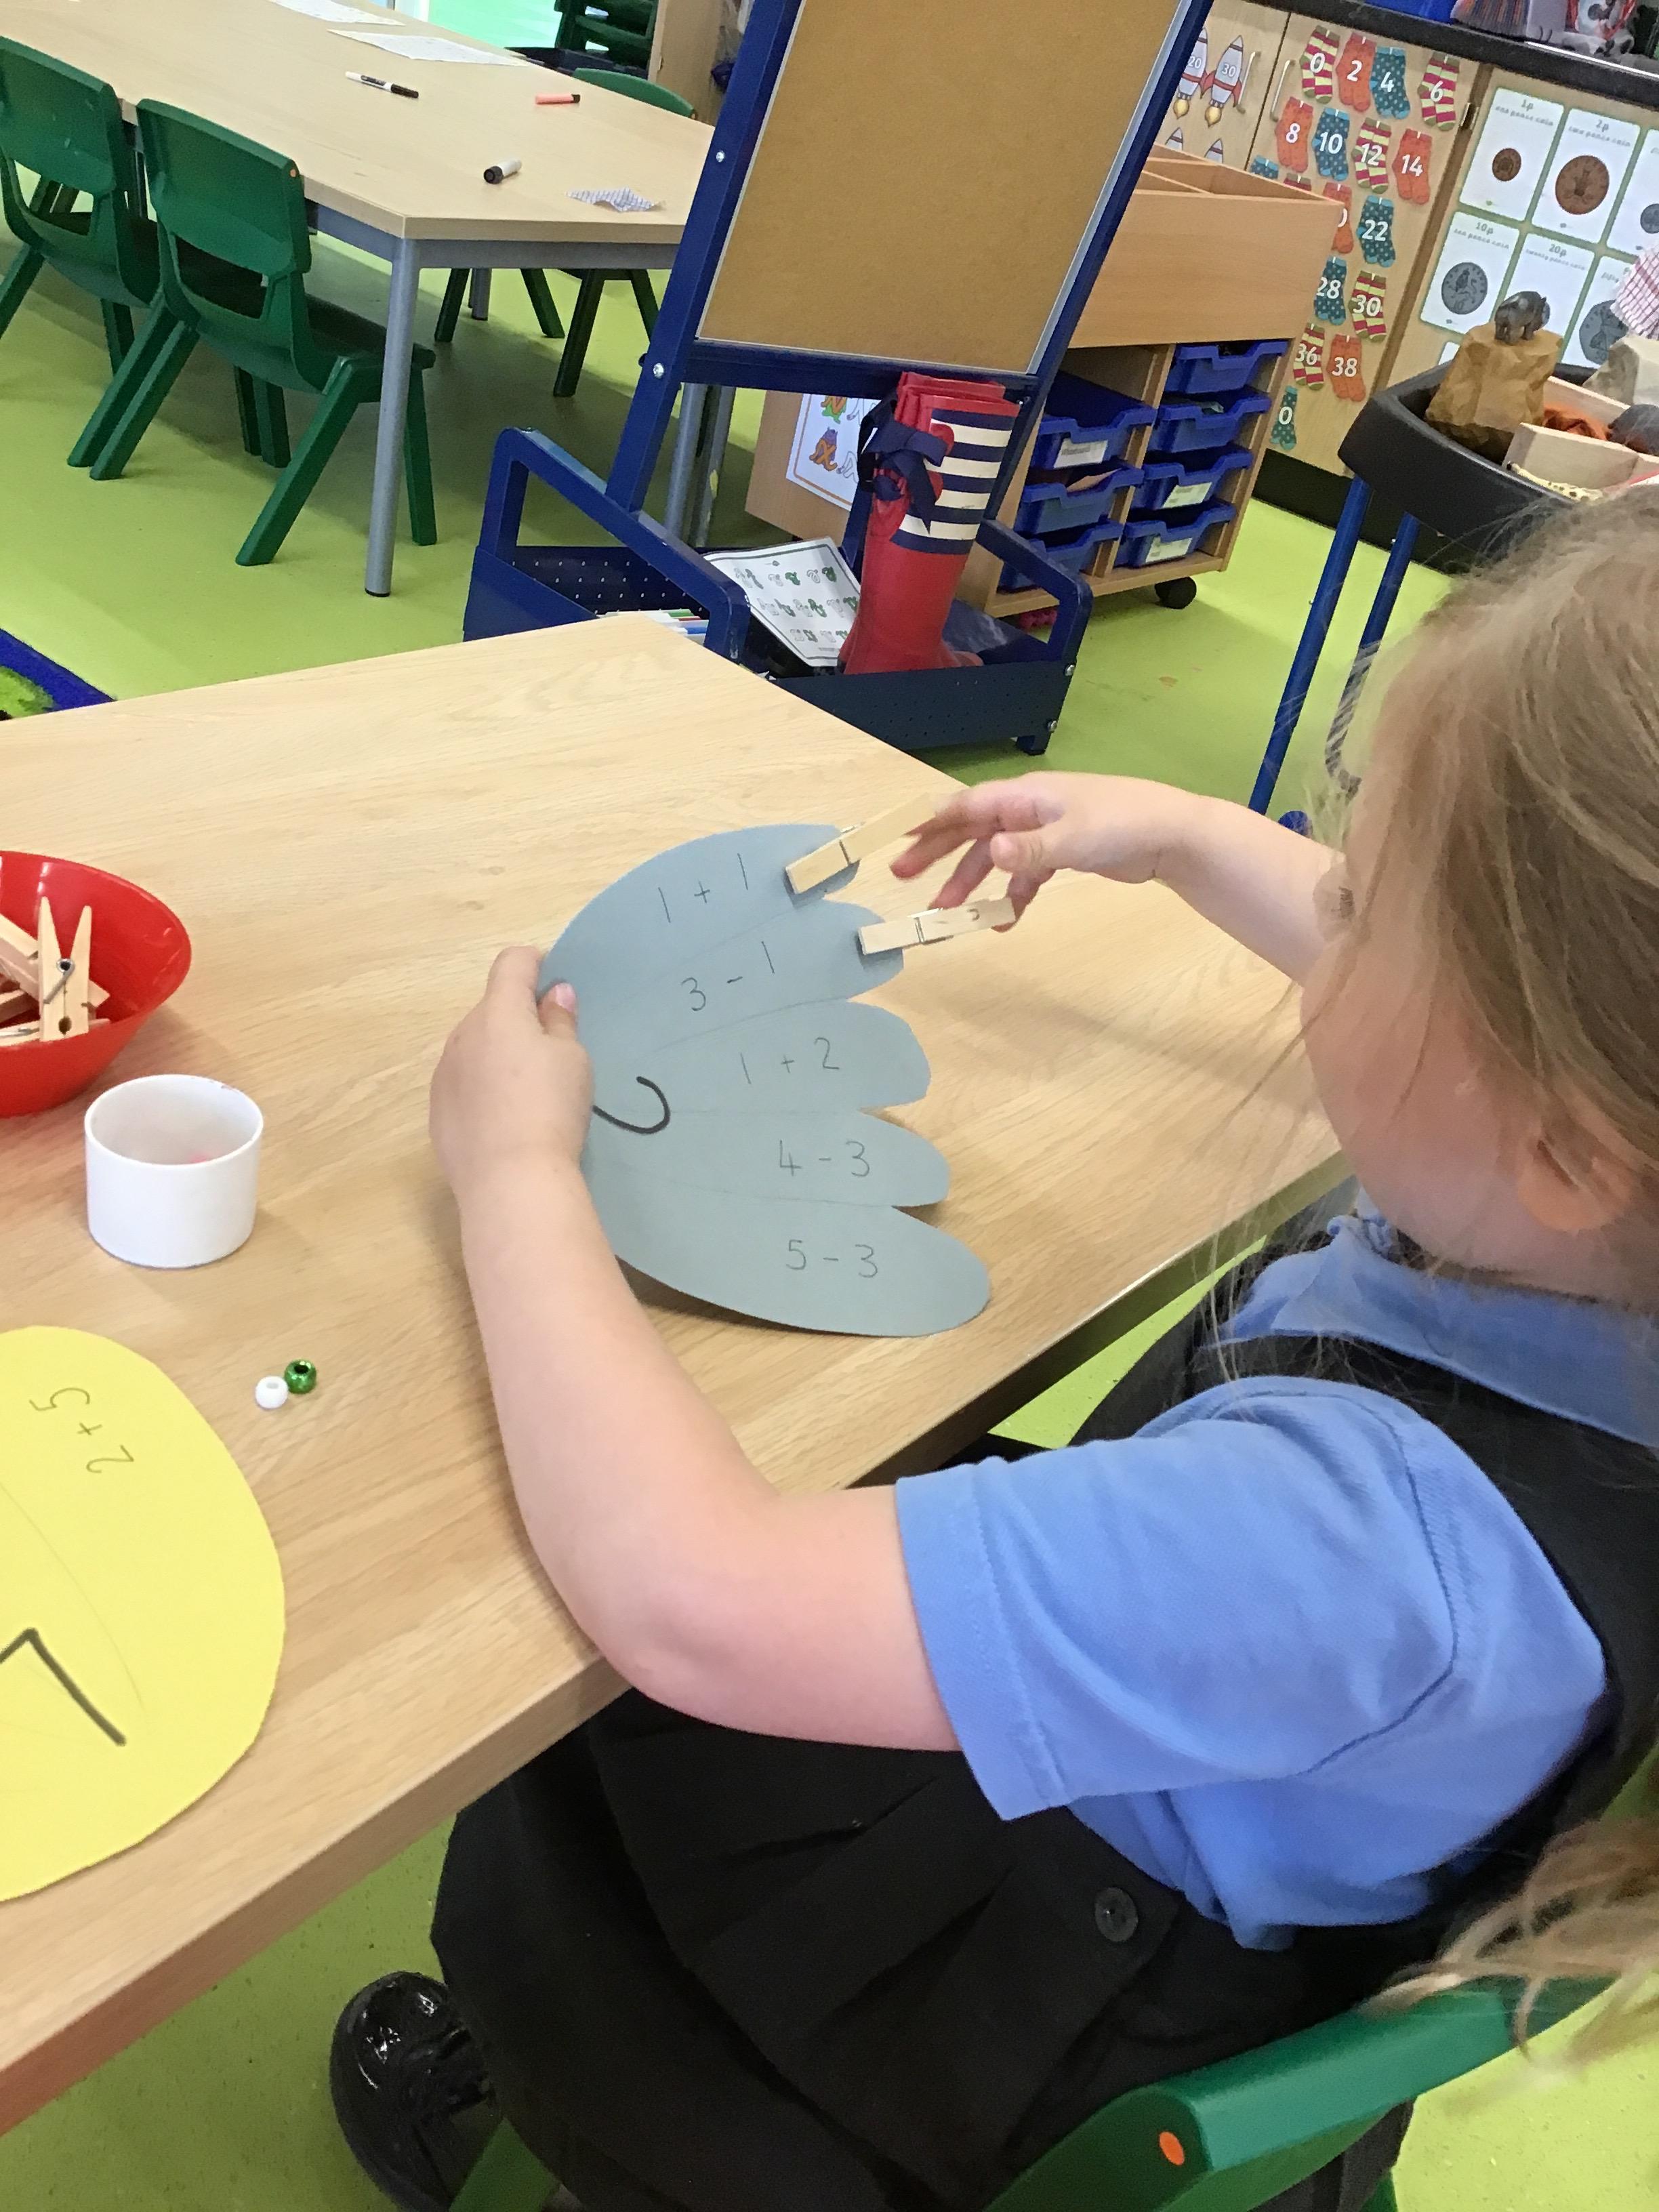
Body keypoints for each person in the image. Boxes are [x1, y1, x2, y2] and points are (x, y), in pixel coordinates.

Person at [331, 499, 1659, 2212]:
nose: (1322, 915)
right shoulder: (1595, 1245)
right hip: (1202, 1822)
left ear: (1567, 1142)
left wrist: (514, 1173)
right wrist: (1184, 837)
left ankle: (553, 2082)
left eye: (1361, 901)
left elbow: (693, 1599)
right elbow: (1499, 1008)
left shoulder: (1361, 1554)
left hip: (960, 2019)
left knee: (553, 1671)